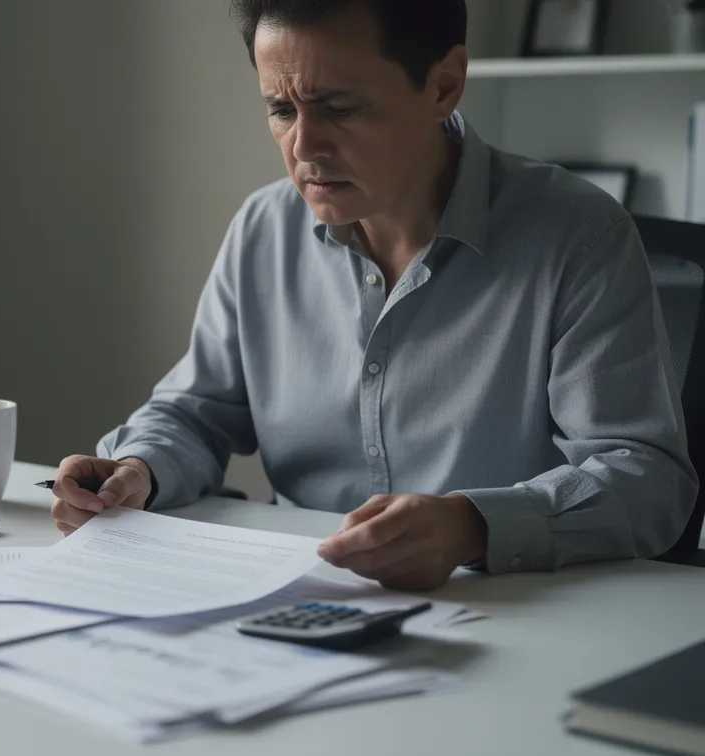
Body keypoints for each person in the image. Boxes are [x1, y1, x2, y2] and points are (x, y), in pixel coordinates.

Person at [48, 0, 698, 591]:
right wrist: (139, 468)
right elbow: (193, 411)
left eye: (339, 108)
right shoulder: (262, 230)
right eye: (281, 109)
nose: (304, 146)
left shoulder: (576, 235)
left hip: (506, 611)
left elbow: (645, 477)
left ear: (444, 85)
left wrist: (474, 525)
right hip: (297, 607)